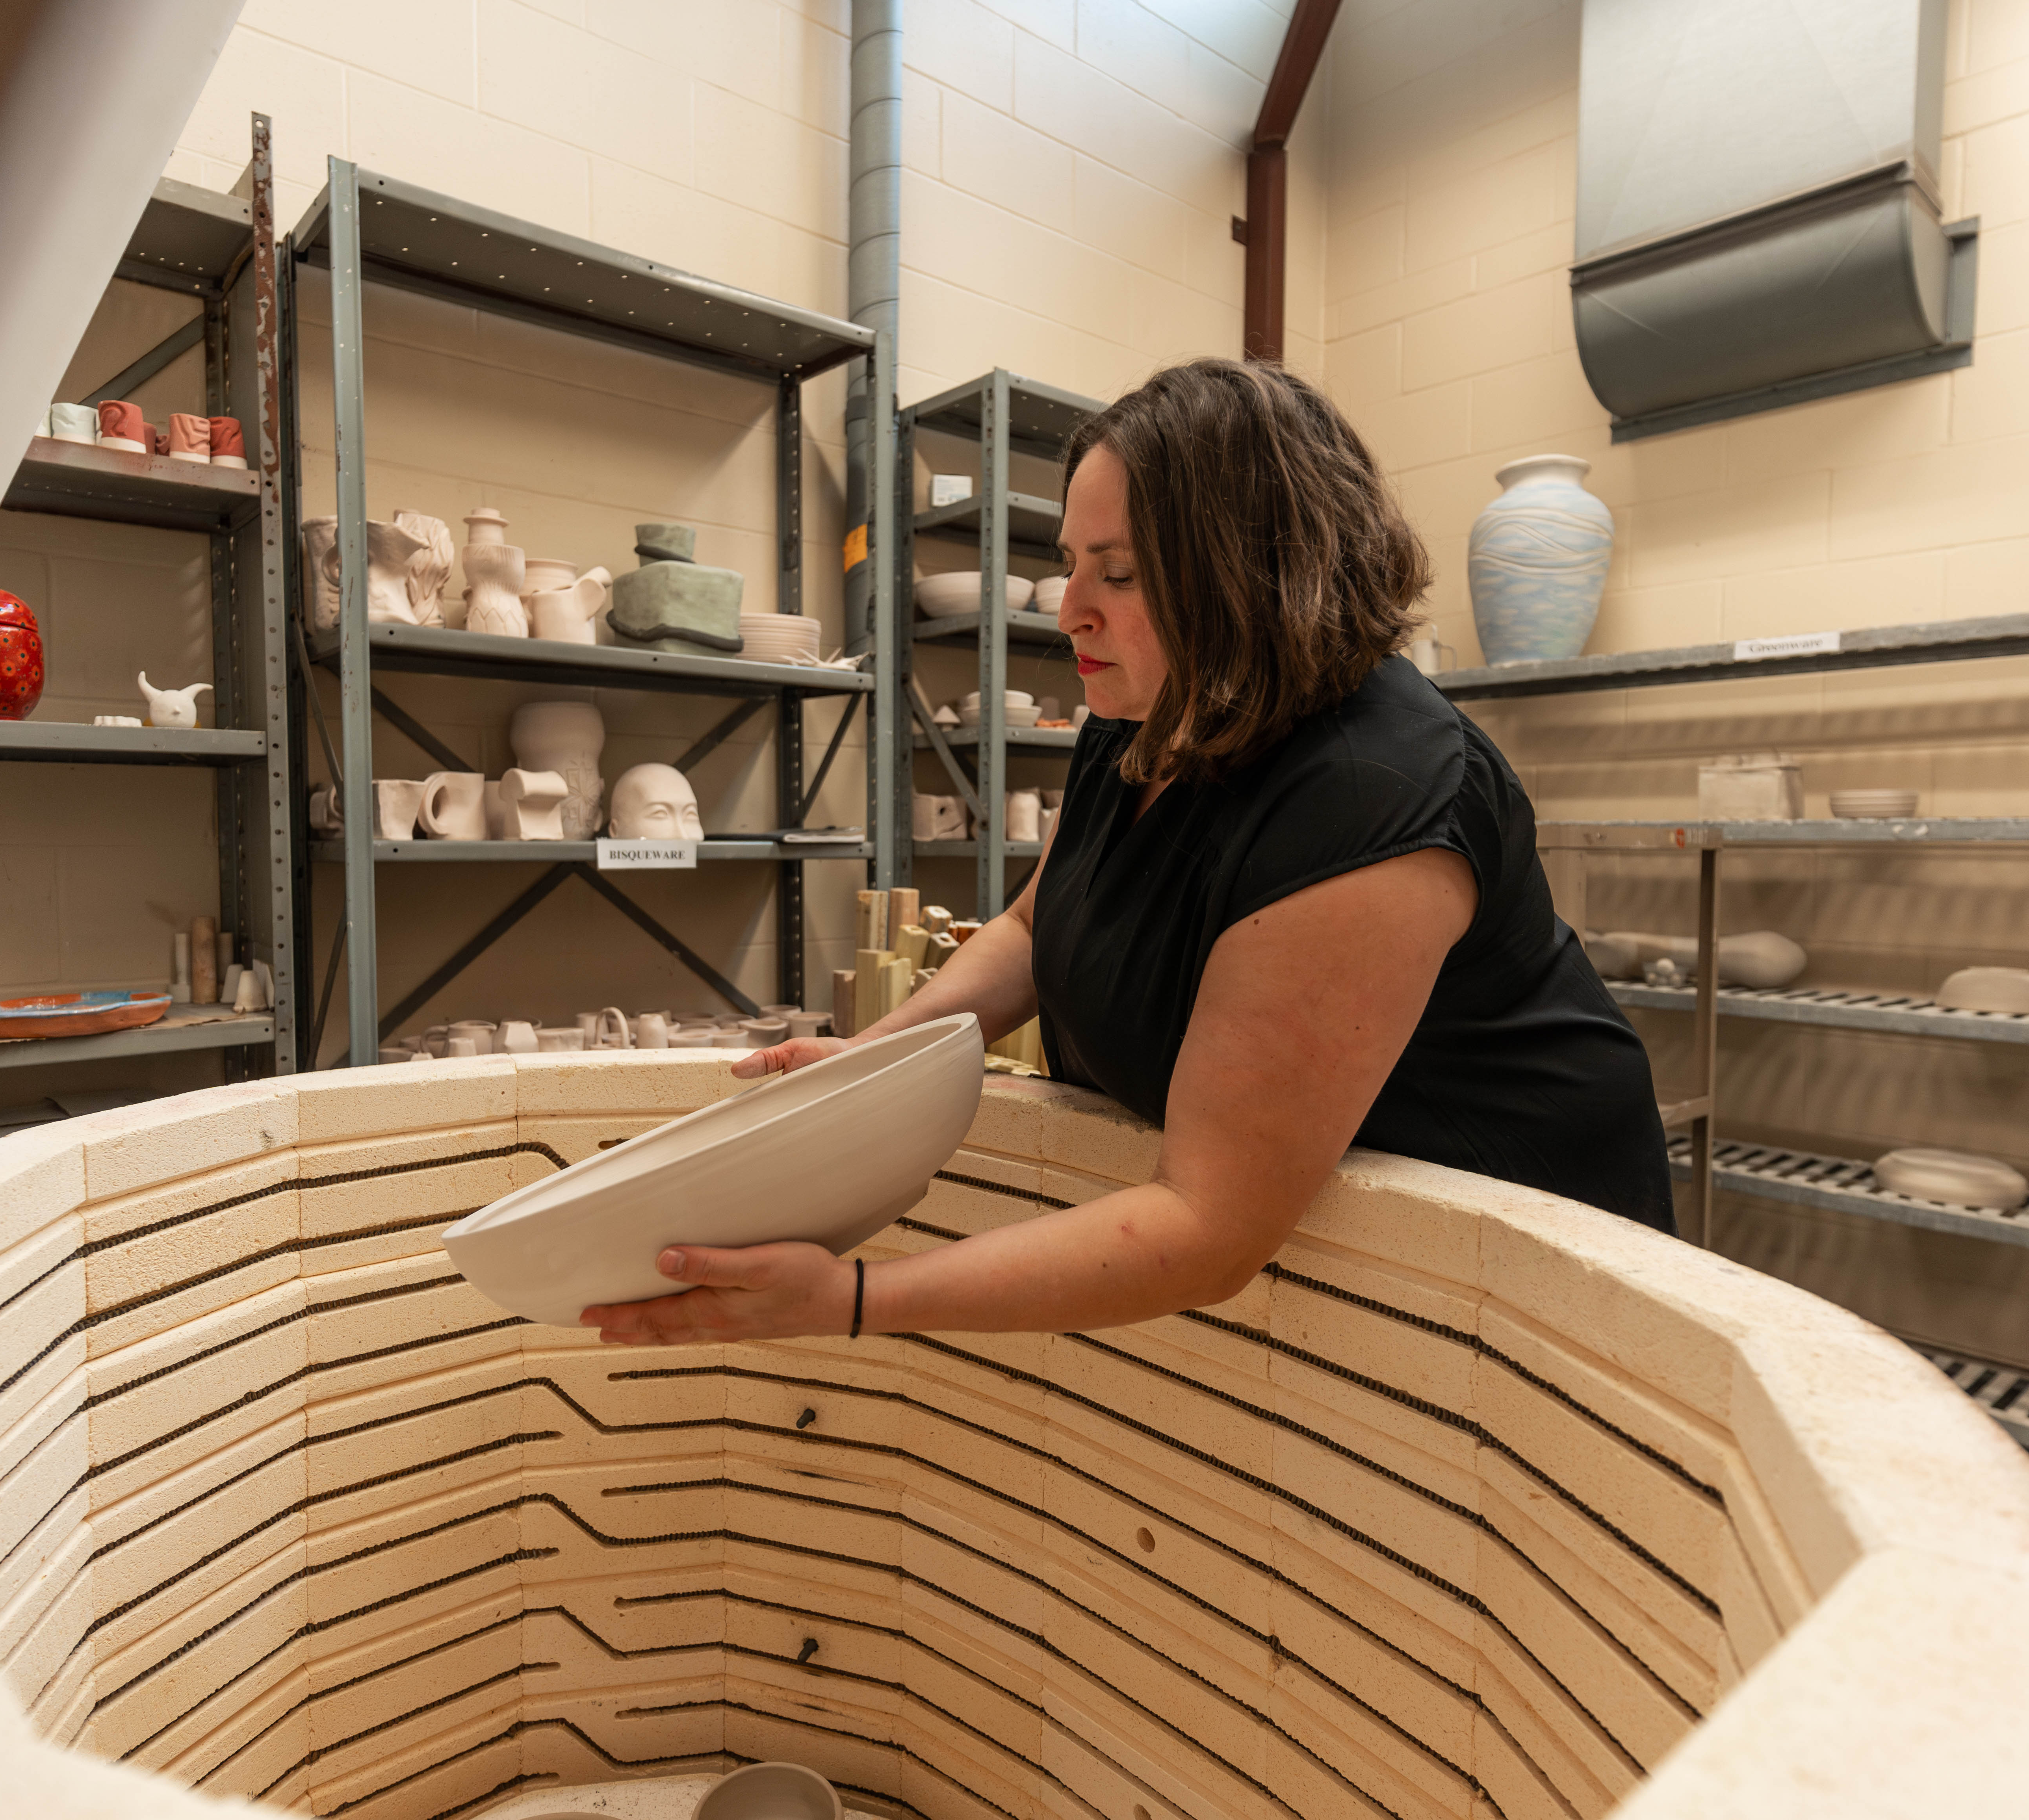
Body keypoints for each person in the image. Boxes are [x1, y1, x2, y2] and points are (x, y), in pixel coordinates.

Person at [586, 358, 1672, 1346]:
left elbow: (1207, 1226)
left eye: (1119, 573)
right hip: (1343, 1250)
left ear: (1257, 573)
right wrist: (879, 1053)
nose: (1069, 613)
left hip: (1524, 1251)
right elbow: (1030, 924)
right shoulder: (1149, 708)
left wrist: (857, 1299)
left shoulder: (1369, 791)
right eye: (1069, 565)